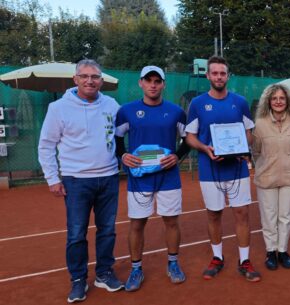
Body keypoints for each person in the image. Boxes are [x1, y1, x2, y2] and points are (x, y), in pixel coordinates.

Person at [38, 59, 123, 303]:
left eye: (95, 76)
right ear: (75, 79)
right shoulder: (58, 108)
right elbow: (46, 145)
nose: (90, 81)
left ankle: (104, 274)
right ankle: (78, 280)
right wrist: (53, 178)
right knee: (76, 234)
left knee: (107, 231)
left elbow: (124, 132)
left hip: (108, 178)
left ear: (101, 80)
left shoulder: (111, 104)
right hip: (76, 181)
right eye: (84, 76)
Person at [185, 56, 261, 282]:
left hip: (237, 168)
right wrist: (205, 148)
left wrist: (241, 147)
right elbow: (190, 137)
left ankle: (244, 260)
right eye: (214, 73)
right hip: (210, 169)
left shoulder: (240, 102)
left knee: (242, 214)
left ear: (228, 76)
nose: (219, 77)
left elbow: (249, 133)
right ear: (208, 76)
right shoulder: (197, 103)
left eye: (222, 73)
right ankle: (217, 258)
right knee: (214, 214)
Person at [114, 66, 190, 291]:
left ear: (164, 84)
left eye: (158, 81)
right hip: (139, 179)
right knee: (137, 224)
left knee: (171, 221)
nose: (153, 85)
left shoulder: (176, 111)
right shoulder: (126, 111)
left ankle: (173, 264)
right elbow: (118, 140)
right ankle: (136, 269)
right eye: (149, 81)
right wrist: (123, 155)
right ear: (141, 83)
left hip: (169, 178)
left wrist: (177, 157)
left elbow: (187, 140)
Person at [251, 84, 290, 270]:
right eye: (274, 98)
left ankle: (282, 250)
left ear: (288, 100)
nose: (278, 101)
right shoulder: (259, 124)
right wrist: (266, 165)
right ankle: (270, 251)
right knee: (269, 217)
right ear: (268, 101)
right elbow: (256, 151)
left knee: (286, 216)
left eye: (282, 98)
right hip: (266, 177)